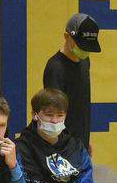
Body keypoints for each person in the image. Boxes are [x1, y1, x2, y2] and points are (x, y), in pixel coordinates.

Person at [43, 13, 101, 151]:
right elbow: (53, 116)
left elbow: (81, 106)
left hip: (80, 143)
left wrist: (84, 140)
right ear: (67, 36)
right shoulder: (55, 68)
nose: (85, 50)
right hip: (62, 146)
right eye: (81, 45)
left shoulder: (85, 61)